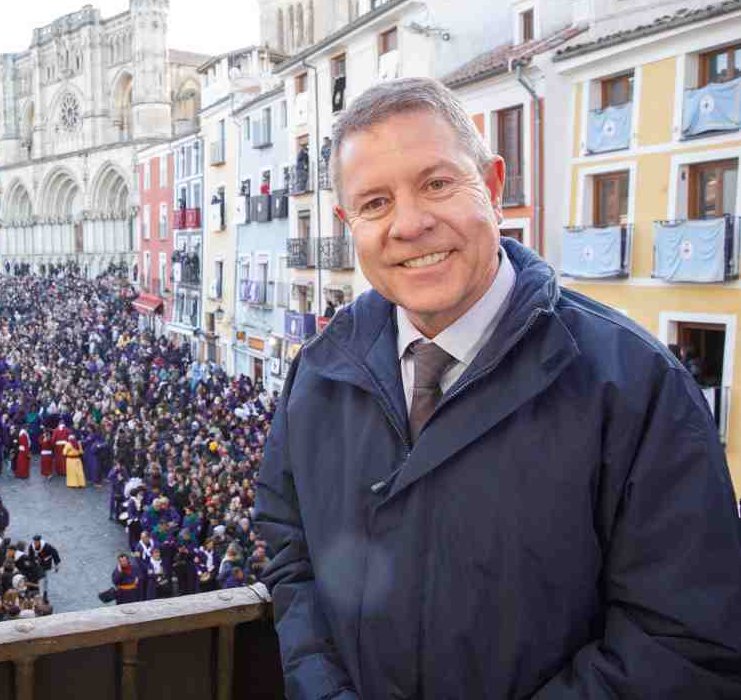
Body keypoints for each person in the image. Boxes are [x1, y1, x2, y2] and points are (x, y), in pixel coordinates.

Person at [254, 77, 741, 700]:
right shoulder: (318, 374)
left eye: (436, 184)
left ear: (492, 185)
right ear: (349, 223)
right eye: (374, 203)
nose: (409, 223)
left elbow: (684, 640)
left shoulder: (634, 384)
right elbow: (292, 559)